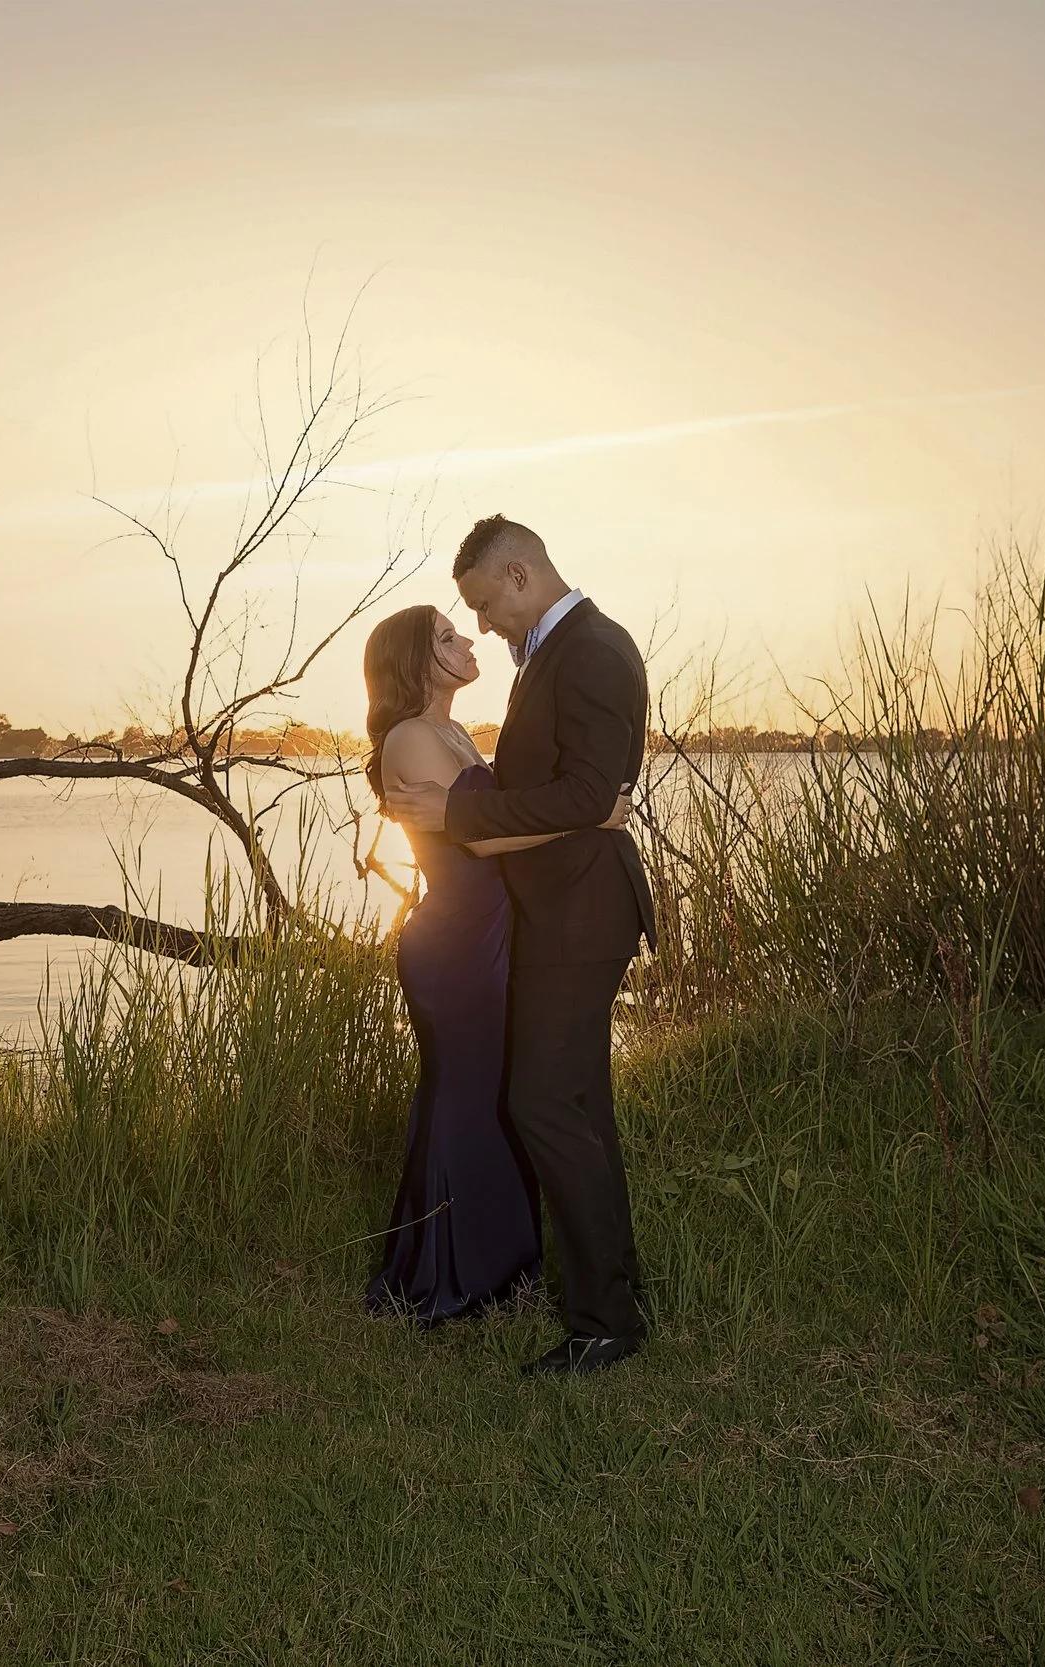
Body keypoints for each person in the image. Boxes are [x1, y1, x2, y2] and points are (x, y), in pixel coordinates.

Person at [383, 516, 657, 1377]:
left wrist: (461, 814)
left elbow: (582, 791)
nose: (483, 626)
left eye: (481, 606)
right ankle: (614, 1295)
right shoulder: (557, 650)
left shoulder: (591, 651)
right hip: (556, 914)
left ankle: (602, 1320)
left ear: (517, 575)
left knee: (542, 1101)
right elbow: (565, 792)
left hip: (579, 916)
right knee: (577, 1107)